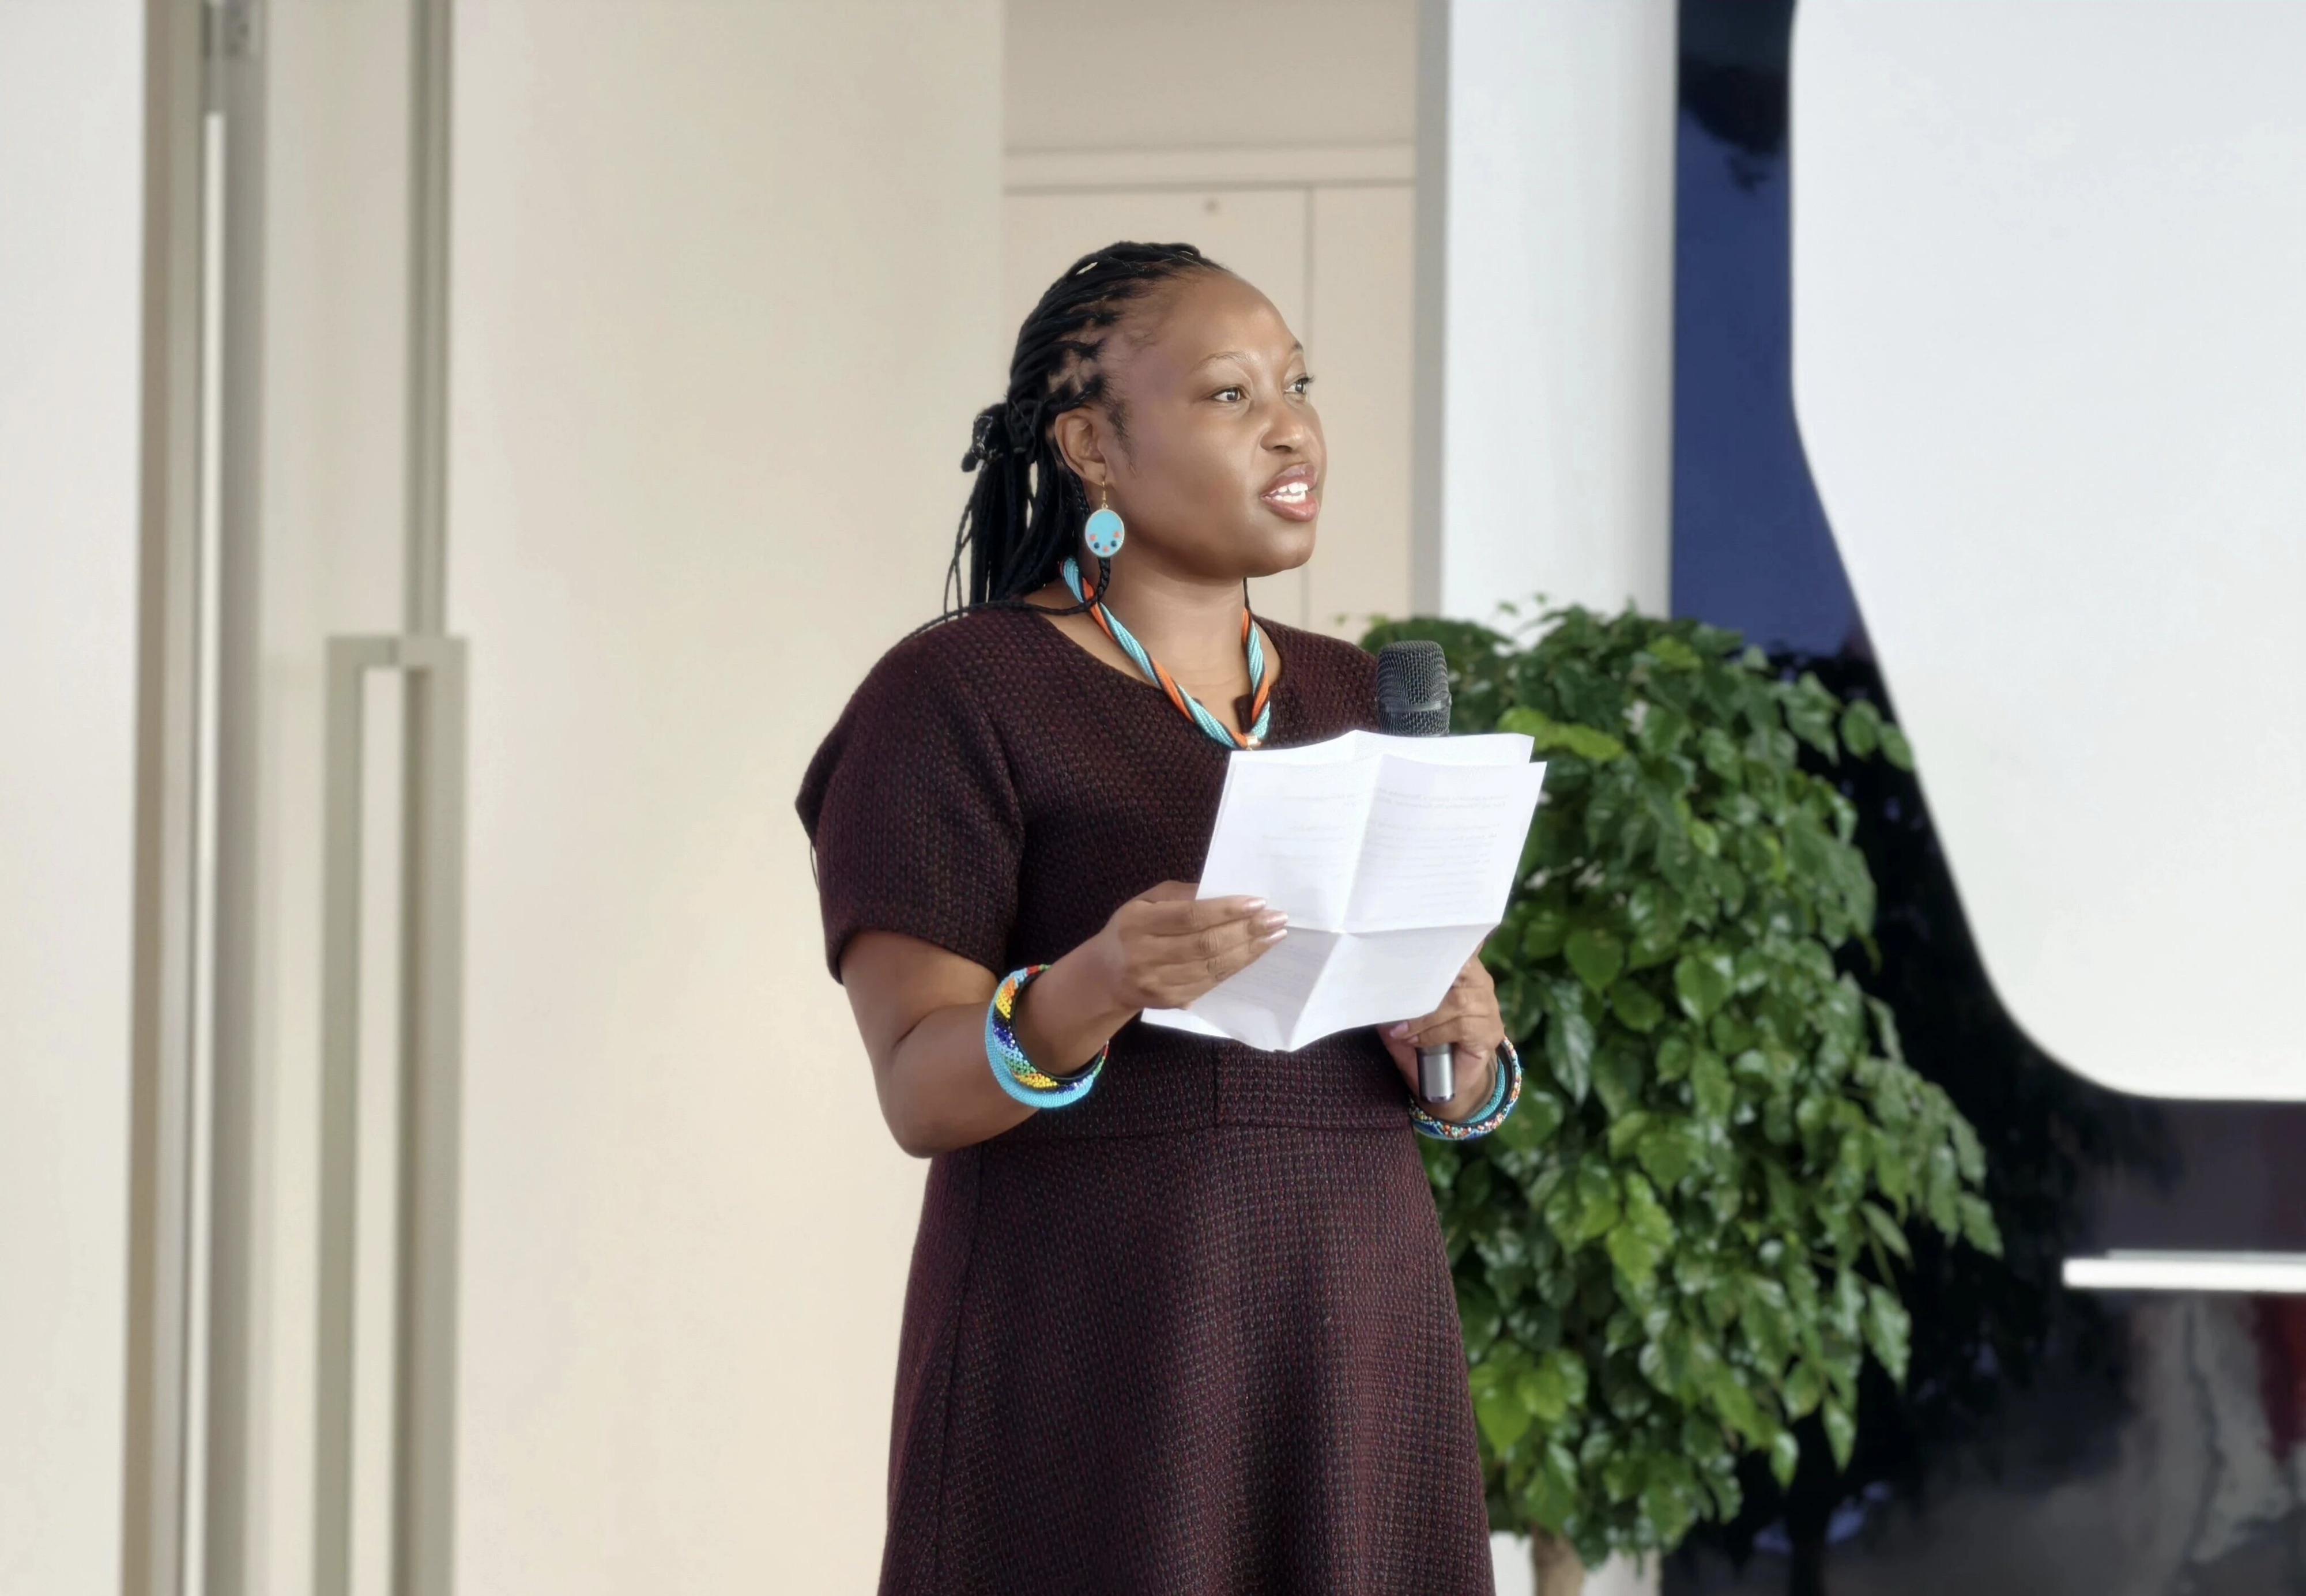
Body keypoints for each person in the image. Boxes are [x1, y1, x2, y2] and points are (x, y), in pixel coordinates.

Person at [797, 241, 1521, 1594]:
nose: (1291, 428)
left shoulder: (1355, 693)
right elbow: (918, 1089)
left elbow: (1426, 1071)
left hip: (1355, 1329)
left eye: (1297, 384)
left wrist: (1464, 1053)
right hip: (1099, 1347)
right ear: (1091, 446)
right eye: (1229, 394)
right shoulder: (956, 695)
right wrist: (1098, 980)